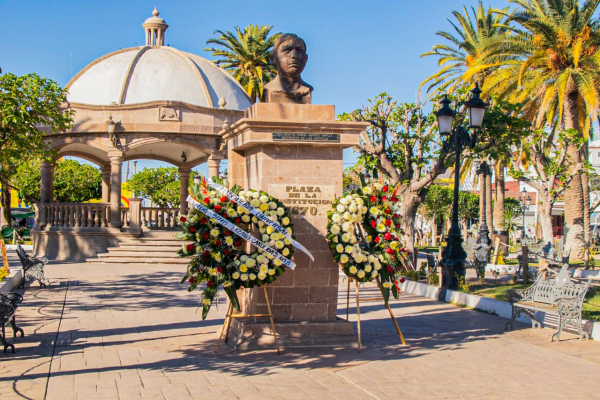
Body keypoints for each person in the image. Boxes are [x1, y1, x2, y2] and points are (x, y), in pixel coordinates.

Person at [265, 33, 313, 104]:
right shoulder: (269, 89)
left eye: (299, 51)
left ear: (306, 59)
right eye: (287, 51)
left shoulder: (307, 89)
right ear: (274, 58)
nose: (294, 56)